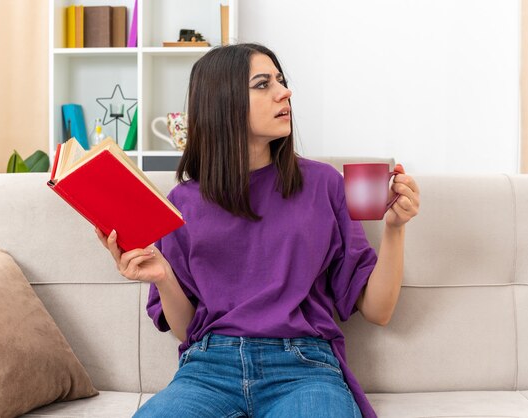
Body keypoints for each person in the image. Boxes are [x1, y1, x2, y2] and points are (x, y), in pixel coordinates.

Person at [95, 43, 420, 418]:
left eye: (280, 81)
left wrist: (395, 228)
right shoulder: (182, 202)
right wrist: (164, 277)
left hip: (303, 367)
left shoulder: (324, 185)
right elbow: (186, 330)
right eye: (263, 84)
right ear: (223, 102)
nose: (285, 92)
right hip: (208, 369)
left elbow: (378, 310)